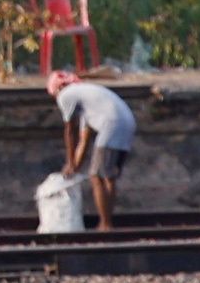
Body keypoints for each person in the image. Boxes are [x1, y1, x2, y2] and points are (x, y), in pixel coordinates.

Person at [51, 71, 143, 229]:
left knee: (96, 176)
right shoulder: (87, 100)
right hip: (126, 123)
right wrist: (74, 166)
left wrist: (69, 162)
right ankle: (107, 222)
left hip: (112, 125)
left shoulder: (66, 94)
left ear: (57, 89)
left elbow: (70, 131)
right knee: (108, 177)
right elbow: (84, 140)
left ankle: (105, 224)